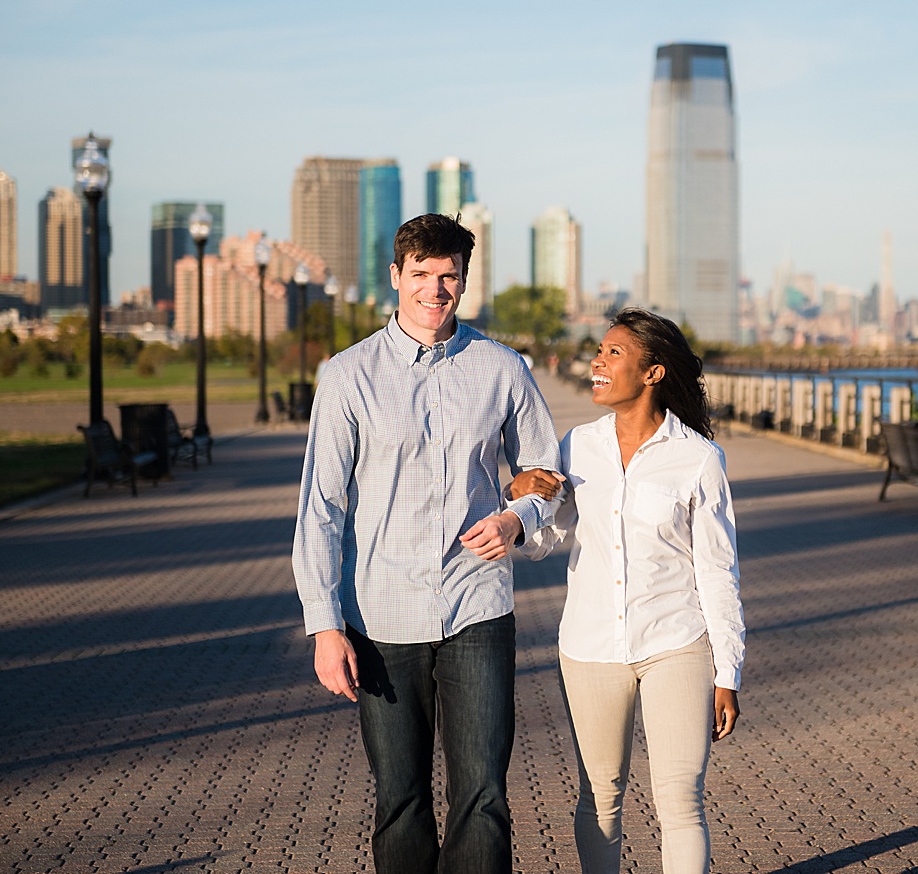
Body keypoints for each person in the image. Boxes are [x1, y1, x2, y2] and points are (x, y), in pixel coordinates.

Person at [292, 212, 561, 874]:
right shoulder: (348, 376)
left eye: (449, 276)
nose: (435, 289)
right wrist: (326, 627)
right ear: (396, 276)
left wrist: (515, 518)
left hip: (478, 609)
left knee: (484, 796)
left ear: (465, 281)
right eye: (422, 274)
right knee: (400, 798)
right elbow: (320, 508)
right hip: (381, 616)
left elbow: (549, 474)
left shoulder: (502, 368)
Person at [476, 307, 745, 874]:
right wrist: (519, 493)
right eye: (599, 350)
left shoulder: (698, 458)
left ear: (653, 373)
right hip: (591, 646)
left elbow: (719, 571)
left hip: (676, 641)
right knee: (600, 797)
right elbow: (546, 540)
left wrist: (728, 672)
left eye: (614, 353)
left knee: (680, 800)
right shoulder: (576, 447)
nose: (598, 361)